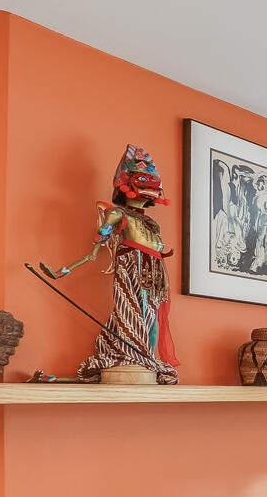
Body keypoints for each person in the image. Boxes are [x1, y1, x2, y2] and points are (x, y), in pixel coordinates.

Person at [39, 145, 180, 383]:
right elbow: (95, 250)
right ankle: (135, 357)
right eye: (143, 179)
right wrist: (63, 271)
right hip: (131, 265)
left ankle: (148, 358)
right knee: (132, 311)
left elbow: (152, 245)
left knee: (153, 317)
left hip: (154, 270)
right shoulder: (117, 214)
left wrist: (163, 255)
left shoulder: (152, 223)